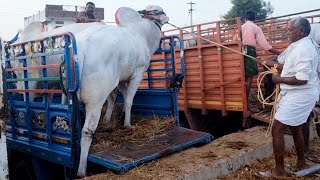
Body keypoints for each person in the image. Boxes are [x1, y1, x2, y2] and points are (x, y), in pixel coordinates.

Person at [258, 17, 320, 178]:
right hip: (294, 93)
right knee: (295, 127)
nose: (287, 32)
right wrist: (269, 64)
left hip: (300, 94)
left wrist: (278, 79)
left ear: (301, 31)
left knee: (277, 128)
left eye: (290, 29)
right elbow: (286, 64)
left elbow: (302, 78)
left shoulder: (304, 48)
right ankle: (301, 163)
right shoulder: (296, 45)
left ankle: (279, 172)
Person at [241, 11, 281, 103]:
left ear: (245, 19)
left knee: (242, 77)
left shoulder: (240, 27)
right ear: (255, 19)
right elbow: (265, 45)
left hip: (239, 52)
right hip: (249, 52)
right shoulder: (256, 28)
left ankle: (243, 101)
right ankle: (246, 103)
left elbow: (235, 41)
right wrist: (279, 53)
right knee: (249, 78)